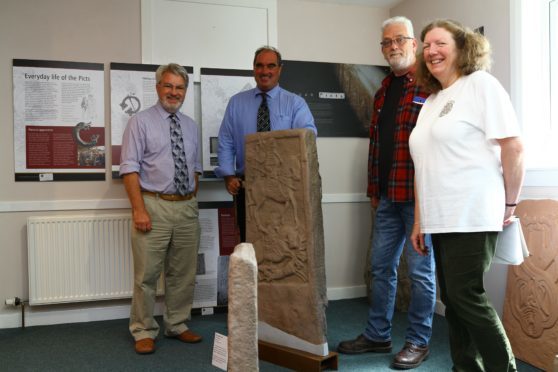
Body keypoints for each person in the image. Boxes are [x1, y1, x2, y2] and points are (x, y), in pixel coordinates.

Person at [409, 19, 525, 371]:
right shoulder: (431, 101)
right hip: (440, 216)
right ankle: (466, 368)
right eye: (426, 45)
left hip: (473, 211)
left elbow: (514, 147)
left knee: (466, 296)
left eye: (440, 43)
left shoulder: (480, 85)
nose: (431, 51)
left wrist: (510, 203)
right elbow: (424, 165)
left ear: (462, 47)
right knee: (454, 301)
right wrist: (419, 220)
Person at [337, 16, 436, 369]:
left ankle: (418, 341)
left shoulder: (430, 86)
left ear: (413, 44)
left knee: (421, 273)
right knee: (381, 268)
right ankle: (378, 335)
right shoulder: (381, 91)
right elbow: (377, 145)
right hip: (387, 197)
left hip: (419, 200)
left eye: (399, 40)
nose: (392, 47)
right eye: (386, 42)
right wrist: (373, 190)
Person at [120, 63, 203, 354]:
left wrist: (191, 196)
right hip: (153, 206)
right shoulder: (139, 122)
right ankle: (143, 329)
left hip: (185, 209)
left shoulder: (191, 125)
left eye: (179, 87)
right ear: (157, 88)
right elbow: (129, 169)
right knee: (146, 276)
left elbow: (195, 169)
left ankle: (177, 324)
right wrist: (139, 210)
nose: (174, 92)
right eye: (168, 86)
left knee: (183, 273)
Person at [214, 46, 317, 242]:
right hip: (247, 186)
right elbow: (226, 140)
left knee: (282, 244)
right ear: (253, 68)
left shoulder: (295, 104)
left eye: (271, 66)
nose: (265, 71)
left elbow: (308, 137)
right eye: (259, 65)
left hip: (285, 188)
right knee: (250, 245)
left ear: (280, 69)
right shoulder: (236, 103)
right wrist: (228, 175)